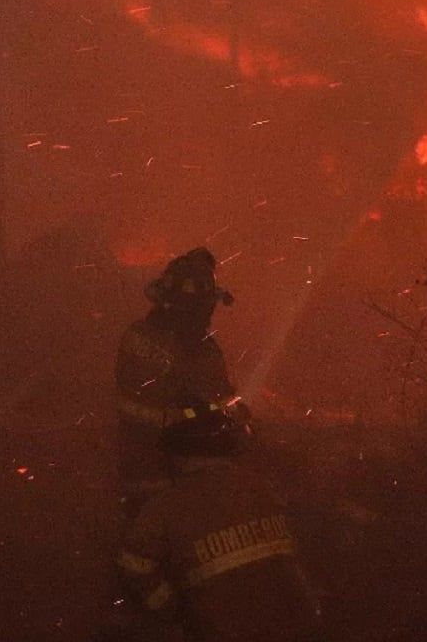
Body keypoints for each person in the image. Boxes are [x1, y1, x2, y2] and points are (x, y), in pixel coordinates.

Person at [115, 406, 321, 641]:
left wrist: (174, 612)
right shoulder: (260, 487)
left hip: (228, 630)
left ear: (179, 455)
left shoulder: (165, 507)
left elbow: (133, 566)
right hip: (299, 623)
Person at [116, 247, 245, 514]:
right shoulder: (199, 351)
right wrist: (242, 417)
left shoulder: (135, 333)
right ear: (203, 305)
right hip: (175, 475)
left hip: (130, 465)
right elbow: (222, 409)